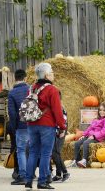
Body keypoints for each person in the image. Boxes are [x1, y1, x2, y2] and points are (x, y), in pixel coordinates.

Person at [25, 62, 65, 190]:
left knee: (33, 153)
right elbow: (57, 110)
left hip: (32, 124)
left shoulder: (32, 88)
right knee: (45, 154)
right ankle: (42, 182)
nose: (53, 75)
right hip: (47, 125)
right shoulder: (52, 89)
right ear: (47, 75)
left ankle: (28, 182)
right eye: (52, 72)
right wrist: (62, 127)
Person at [70, 103, 105, 168]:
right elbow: (90, 128)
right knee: (77, 143)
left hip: (99, 138)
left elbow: (104, 131)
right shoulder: (96, 119)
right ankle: (76, 161)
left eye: (104, 110)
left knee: (86, 143)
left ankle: (84, 160)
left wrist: (94, 136)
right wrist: (84, 135)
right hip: (90, 136)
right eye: (100, 110)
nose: (102, 112)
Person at [8, 69, 29, 185]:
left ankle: (23, 176)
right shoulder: (31, 89)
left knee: (21, 150)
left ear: (15, 79)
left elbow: (12, 113)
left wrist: (14, 127)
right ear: (25, 78)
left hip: (21, 126)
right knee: (33, 150)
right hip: (34, 124)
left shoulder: (12, 93)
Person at [51, 92, 70, 182]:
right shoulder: (54, 106)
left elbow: (63, 121)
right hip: (54, 131)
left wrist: (61, 131)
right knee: (54, 153)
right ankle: (58, 174)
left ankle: (65, 172)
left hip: (60, 132)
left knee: (55, 152)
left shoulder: (60, 107)